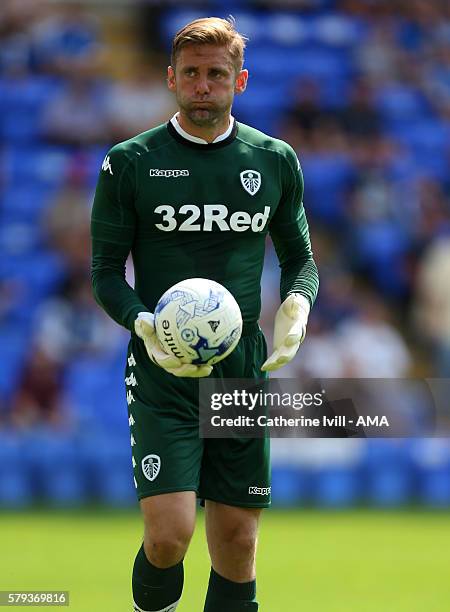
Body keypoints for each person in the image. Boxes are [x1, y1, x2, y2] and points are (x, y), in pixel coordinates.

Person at [91, 16, 319, 612]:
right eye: (190, 73)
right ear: (171, 78)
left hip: (240, 373)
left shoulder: (272, 159)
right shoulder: (130, 161)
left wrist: (296, 304)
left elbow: (301, 260)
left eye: (216, 75)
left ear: (238, 81)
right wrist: (142, 321)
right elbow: (105, 273)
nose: (202, 86)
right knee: (169, 538)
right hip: (163, 367)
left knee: (238, 544)